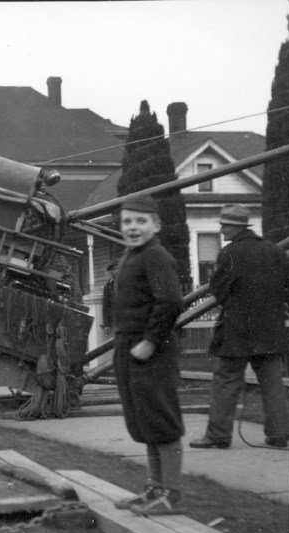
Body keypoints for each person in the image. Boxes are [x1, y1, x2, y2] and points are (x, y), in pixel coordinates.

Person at [190, 205, 289, 449]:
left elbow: (219, 289)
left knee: (226, 381)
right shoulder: (274, 251)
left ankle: (218, 436)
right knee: (272, 383)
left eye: (224, 225)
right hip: (271, 328)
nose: (222, 229)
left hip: (237, 329)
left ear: (235, 227)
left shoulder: (229, 253)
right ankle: (279, 435)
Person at [110, 195, 186, 516]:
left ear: (156, 224)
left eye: (141, 221)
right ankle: (154, 488)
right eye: (127, 221)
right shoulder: (131, 256)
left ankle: (170, 494)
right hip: (129, 347)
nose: (133, 227)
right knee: (145, 421)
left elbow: (169, 301)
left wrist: (150, 342)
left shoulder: (155, 257)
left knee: (161, 419)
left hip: (151, 352)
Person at [101, 259, 118, 333]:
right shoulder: (108, 286)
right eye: (113, 269)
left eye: (117, 268)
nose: (116, 271)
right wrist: (107, 324)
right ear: (110, 272)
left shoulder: (127, 282)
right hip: (115, 319)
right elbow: (106, 306)